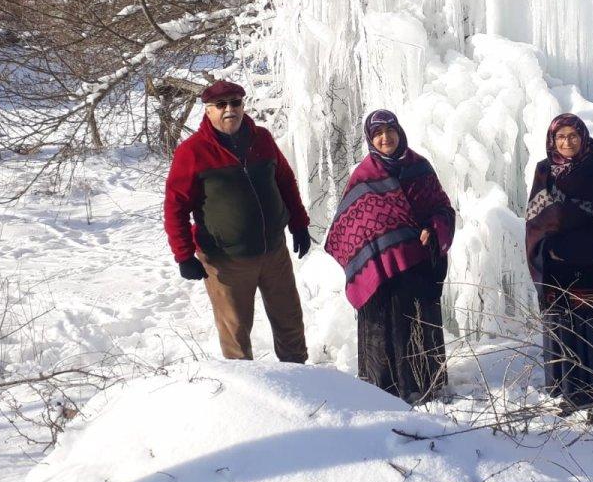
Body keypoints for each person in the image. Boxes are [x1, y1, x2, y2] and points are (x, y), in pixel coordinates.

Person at [164, 80, 313, 362]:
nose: (229, 109)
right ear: (208, 111)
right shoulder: (193, 152)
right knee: (236, 334)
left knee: (290, 321)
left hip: (273, 252)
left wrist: (299, 224)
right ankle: (247, 397)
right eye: (221, 105)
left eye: (235, 103)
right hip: (225, 260)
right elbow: (175, 206)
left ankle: (301, 381)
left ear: (243, 106)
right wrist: (183, 255)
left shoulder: (263, 139)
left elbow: (285, 181)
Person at [325, 110, 455, 404]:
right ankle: (385, 388)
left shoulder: (420, 167)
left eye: (390, 130)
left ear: (400, 131)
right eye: (378, 133)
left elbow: (442, 207)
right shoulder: (364, 175)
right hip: (381, 269)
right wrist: (373, 251)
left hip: (419, 263)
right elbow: (347, 226)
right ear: (371, 139)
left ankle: (425, 382)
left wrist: (434, 229)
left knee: (419, 321)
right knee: (385, 323)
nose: (386, 137)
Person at [525, 113, 593, 425]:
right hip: (558, 266)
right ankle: (570, 392)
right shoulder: (544, 170)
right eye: (561, 137)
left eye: (573, 136)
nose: (567, 142)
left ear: (582, 137)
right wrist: (548, 238)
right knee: (565, 327)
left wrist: (566, 225)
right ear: (551, 141)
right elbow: (535, 216)